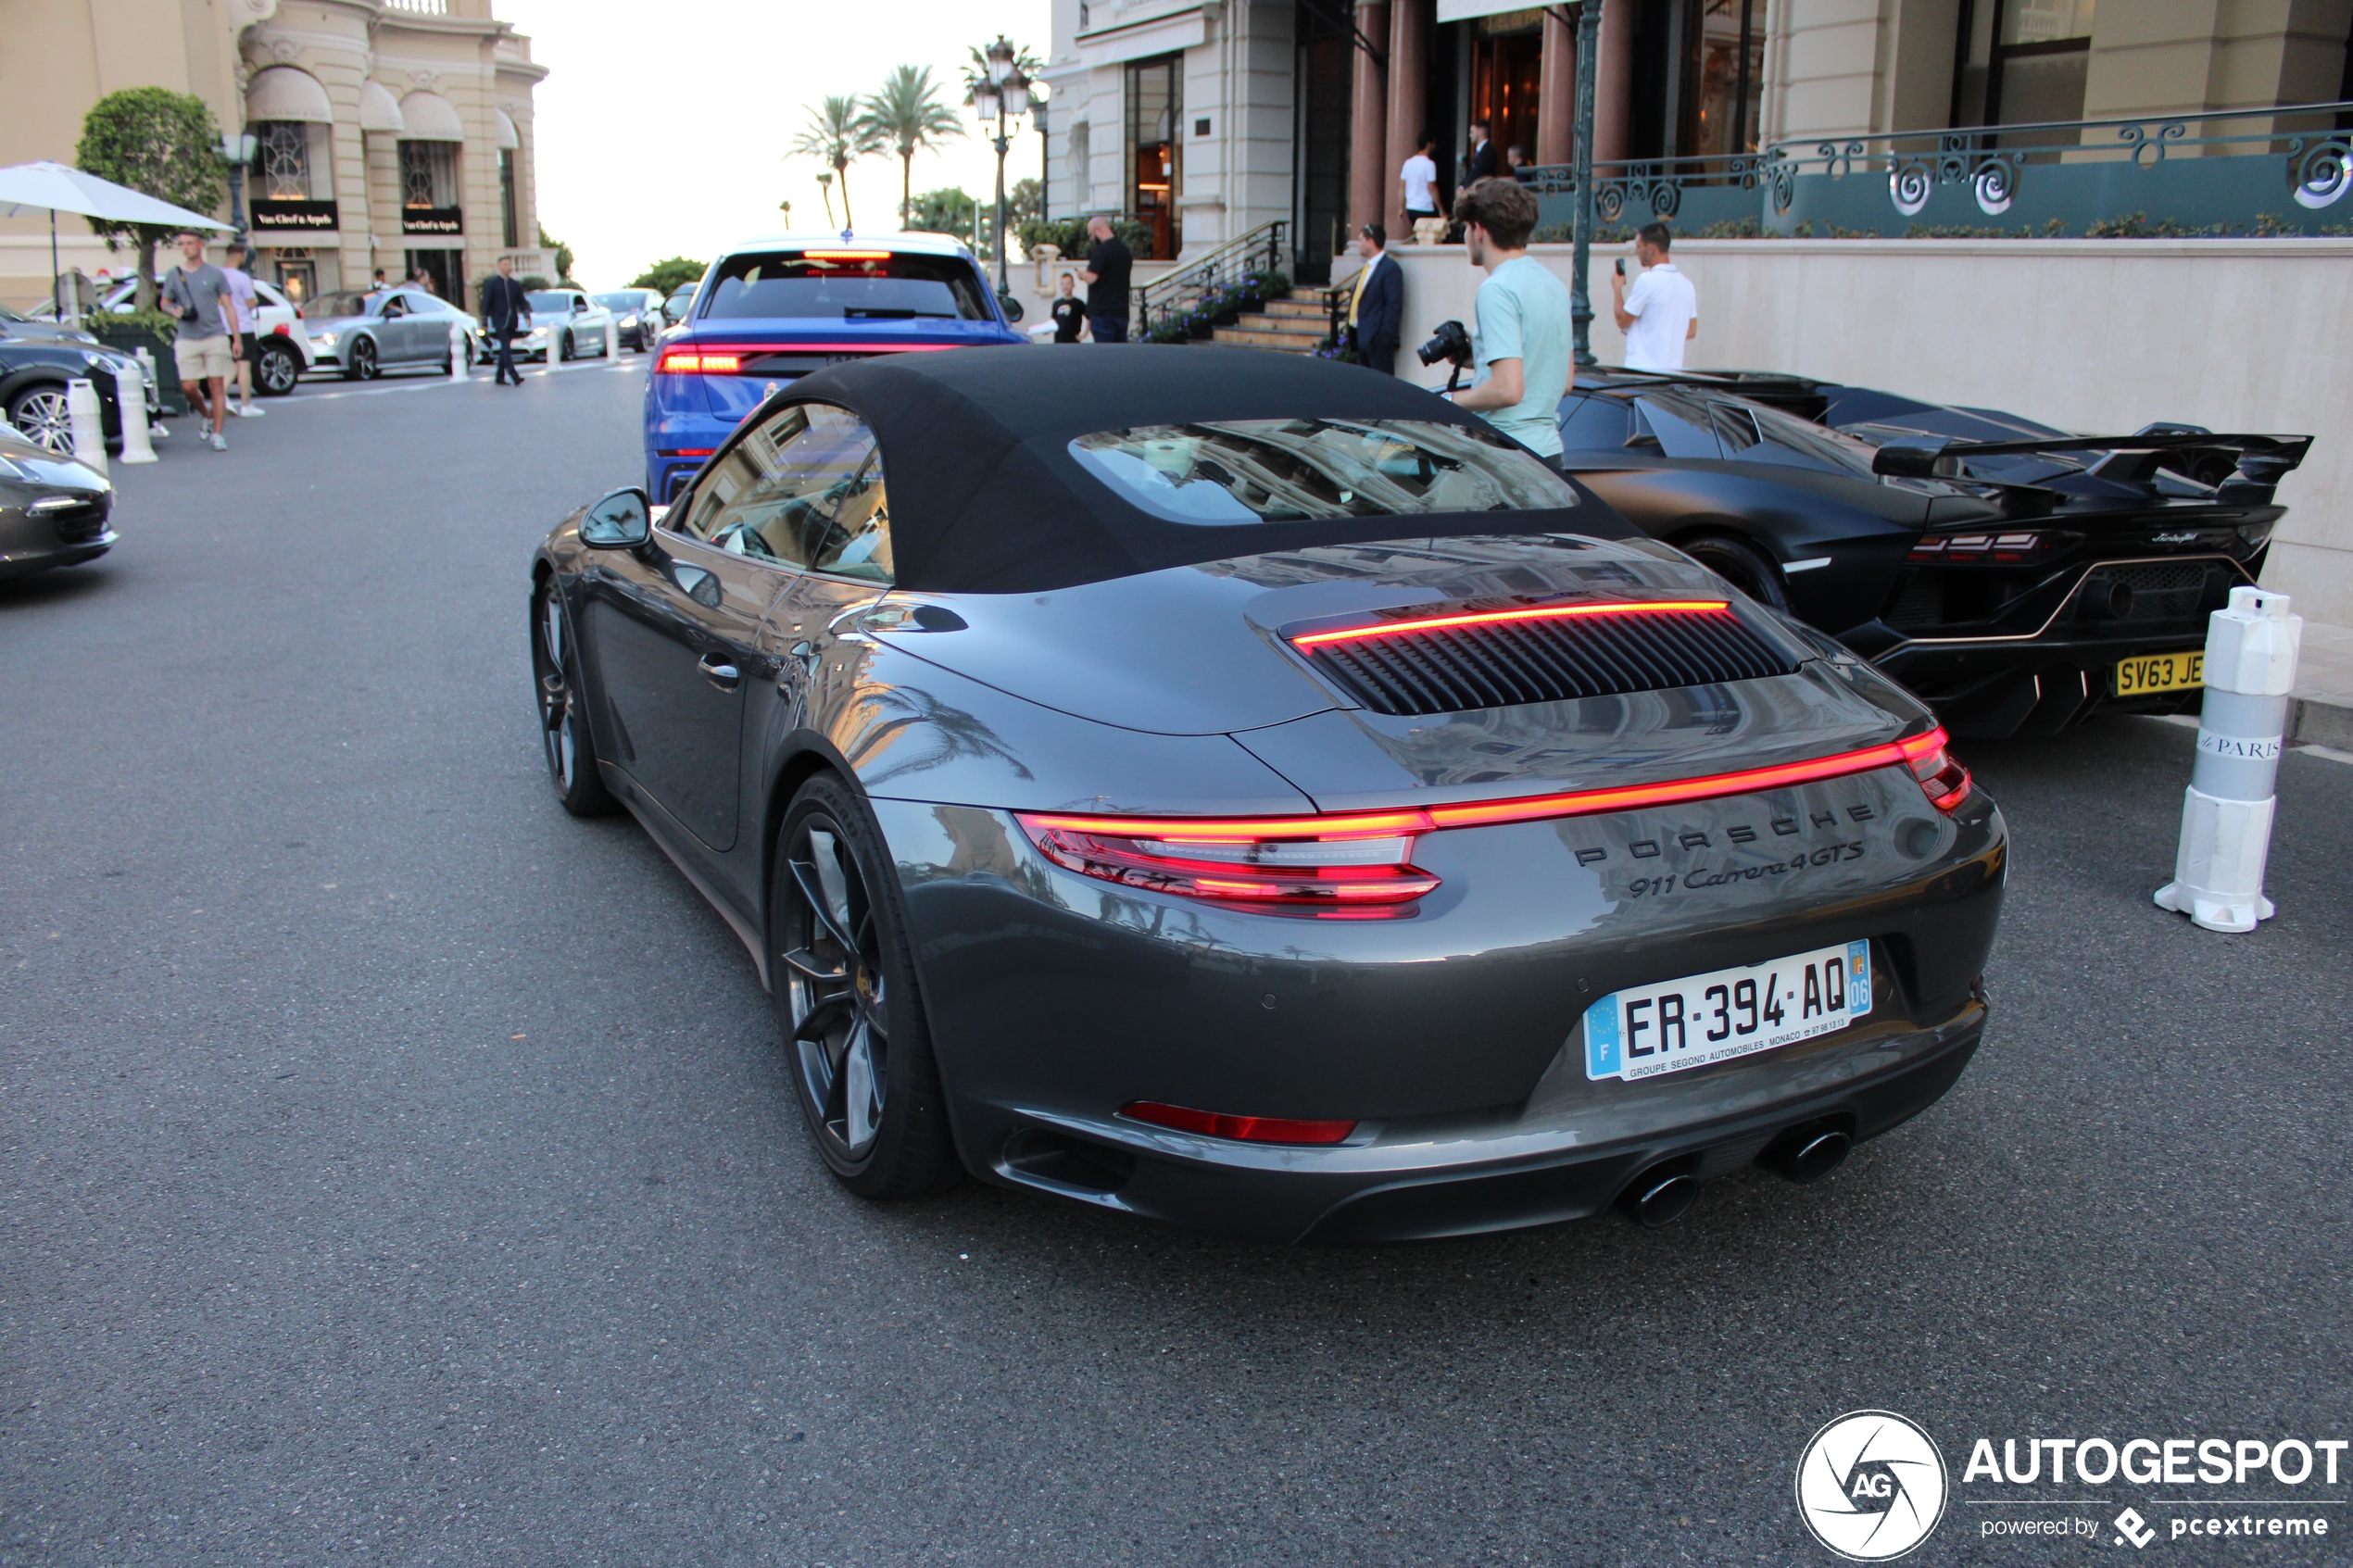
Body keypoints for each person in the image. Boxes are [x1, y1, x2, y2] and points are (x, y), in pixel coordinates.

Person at [1446, 177, 1570, 464]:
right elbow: (1563, 380)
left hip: (1506, 453)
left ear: (1479, 230)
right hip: (1550, 452)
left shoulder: (1496, 289)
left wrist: (1447, 403)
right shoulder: (1554, 285)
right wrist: (1475, 358)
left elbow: (1508, 389)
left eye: (1466, 227)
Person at [158, 230, 238, 452]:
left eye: (190, 243)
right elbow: (164, 302)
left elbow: (229, 306)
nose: (185, 247)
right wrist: (173, 310)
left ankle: (218, 434)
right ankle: (206, 414)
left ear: (200, 245)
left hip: (214, 334)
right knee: (189, 386)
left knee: (217, 385)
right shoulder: (174, 274)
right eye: (182, 244)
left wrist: (236, 337)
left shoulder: (215, 274)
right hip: (187, 336)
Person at [1613, 220, 1699, 371]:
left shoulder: (1647, 281)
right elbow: (1691, 330)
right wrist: (1659, 332)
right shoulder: (1687, 285)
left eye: (1638, 246)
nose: (1636, 251)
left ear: (1651, 249)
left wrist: (1617, 288)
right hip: (1672, 373)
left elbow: (1622, 320)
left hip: (1641, 371)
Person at [1343, 223, 1403, 376]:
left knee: (1382, 384)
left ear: (1371, 242)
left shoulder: (1389, 269)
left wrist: (1383, 337)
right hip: (1362, 337)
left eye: (1361, 240)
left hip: (1377, 341)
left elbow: (1393, 304)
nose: (1358, 244)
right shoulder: (1368, 268)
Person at [220, 241, 265, 419]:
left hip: (222, 326)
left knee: (231, 364)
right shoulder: (242, 278)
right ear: (241, 255)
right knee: (244, 365)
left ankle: (221, 395)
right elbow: (250, 303)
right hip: (242, 325)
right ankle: (246, 404)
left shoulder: (217, 276)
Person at [480, 256, 533, 386]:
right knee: (505, 347)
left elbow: (522, 302)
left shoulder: (515, 284)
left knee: (506, 347)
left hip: (511, 321)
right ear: (499, 266)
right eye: (505, 264)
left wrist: (527, 315)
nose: (508, 267)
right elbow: (486, 303)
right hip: (499, 320)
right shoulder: (492, 283)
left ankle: (499, 376)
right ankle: (513, 375)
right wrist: (484, 321)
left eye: (509, 264)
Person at [1078, 216, 1132, 345]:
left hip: (1103, 314)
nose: (1092, 238)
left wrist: (1081, 275)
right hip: (1121, 312)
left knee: (1104, 356)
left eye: (1091, 234)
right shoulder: (1125, 251)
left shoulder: (1101, 251)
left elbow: (1091, 278)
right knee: (1119, 355)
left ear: (1098, 230)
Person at [1400, 132, 1440, 238]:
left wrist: (1401, 208)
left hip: (1411, 208)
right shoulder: (1429, 164)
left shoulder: (1408, 163)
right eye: (1433, 143)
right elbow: (1432, 188)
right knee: (1428, 237)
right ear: (1428, 144)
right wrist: (1441, 208)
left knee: (1419, 235)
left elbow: (1401, 188)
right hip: (1425, 207)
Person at [1049, 272, 1088, 344]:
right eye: (1062, 284)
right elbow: (1053, 320)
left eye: (1068, 284)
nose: (1065, 286)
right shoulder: (1056, 303)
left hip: (1074, 341)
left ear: (1073, 285)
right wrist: (1046, 330)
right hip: (1059, 341)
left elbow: (1089, 318)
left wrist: (1084, 334)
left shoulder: (1079, 303)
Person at [1466, 119, 1499, 183]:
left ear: (1480, 132)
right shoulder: (1478, 151)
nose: (1470, 135)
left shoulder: (1488, 151)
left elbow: (1478, 173)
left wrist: (1465, 186)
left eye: (1472, 132)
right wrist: (1462, 186)